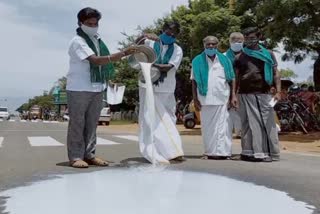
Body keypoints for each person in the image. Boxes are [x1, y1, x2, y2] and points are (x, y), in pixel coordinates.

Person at [66, 7, 138, 168]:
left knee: (92, 124)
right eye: (89, 23)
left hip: (97, 87)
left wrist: (108, 80)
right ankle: (76, 156)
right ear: (80, 23)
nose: (93, 26)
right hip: (79, 88)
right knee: (78, 123)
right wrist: (123, 53)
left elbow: (102, 66)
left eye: (95, 23)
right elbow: (96, 61)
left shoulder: (97, 40)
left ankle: (90, 155)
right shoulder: (78, 41)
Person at [136, 21, 185, 164]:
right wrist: (143, 35)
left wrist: (148, 64)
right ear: (162, 30)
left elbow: (168, 67)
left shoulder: (177, 49)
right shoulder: (149, 44)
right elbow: (135, 49)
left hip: (166, 89)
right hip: (147, 87)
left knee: (167, 119)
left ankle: (172, 151)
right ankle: (152, 151)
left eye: (174, 34)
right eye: (168, 32)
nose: (171, 36)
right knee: (148, 119)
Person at [234, 27, 281, 162]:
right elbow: (236, 78)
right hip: (244, 95)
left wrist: (278, 91)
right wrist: (234, 95)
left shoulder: (269, 54)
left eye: (252, 37)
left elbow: (276, 73)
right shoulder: (239, 56)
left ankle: (267, 153)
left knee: (266, 123)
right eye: (247, 38)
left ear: (259, 37)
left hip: (263, 94)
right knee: (247, 124)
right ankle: (248, 152)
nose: (249, 40)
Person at [191, 36, 237, 160]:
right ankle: (209, 152)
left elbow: (232, 78)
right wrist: (195, 99)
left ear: (217, 45)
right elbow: (194, 81)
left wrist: (233, 96)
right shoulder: (197, 61)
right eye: (208, 44)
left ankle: (224, 153)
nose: (211, 46)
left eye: (213, 44)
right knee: (207, 128)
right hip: (205, 99)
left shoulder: (225, 60)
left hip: (222, 98)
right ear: (204, 45)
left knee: (224, 127)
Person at [226, 32, 244, 138]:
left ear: (243, 42)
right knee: (228, 116)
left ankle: (240, 133)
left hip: (244, 89)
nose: (236, 43)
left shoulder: (248, 55)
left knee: (241, 114)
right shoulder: (223, 57)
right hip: (226, 90)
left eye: (239, 41)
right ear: (229, 42)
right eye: (234, 41)